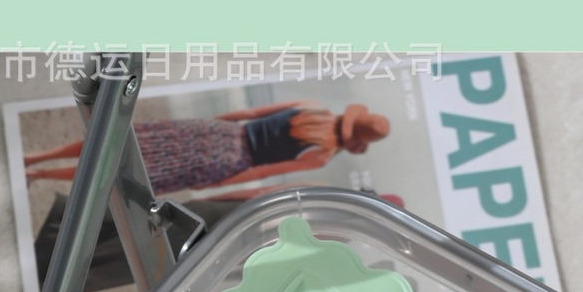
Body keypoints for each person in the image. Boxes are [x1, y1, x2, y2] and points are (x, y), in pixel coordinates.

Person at [24, 101, 390, 192]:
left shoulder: (312, 108)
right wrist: (218, 183)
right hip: (230, 157)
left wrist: (216, 122)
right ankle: (40, 175)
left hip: (221, 132)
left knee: (125, 140)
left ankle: (38, 157)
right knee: (124, 169)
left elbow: (250, 113)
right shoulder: (320, 155)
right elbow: (262, 171)